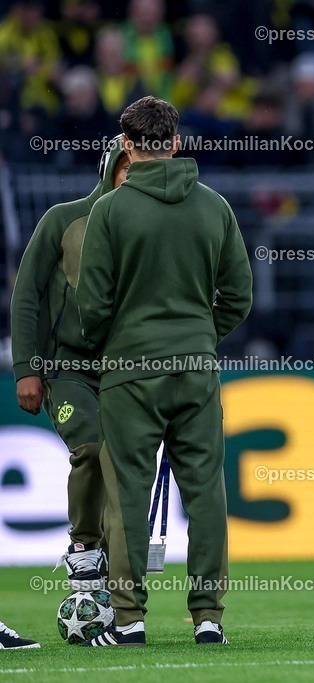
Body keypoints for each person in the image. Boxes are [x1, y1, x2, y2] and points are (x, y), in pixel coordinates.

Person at [76, 96, 252, 646]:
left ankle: (128, 619)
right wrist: (198, 338)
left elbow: (93, 305)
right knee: (206, 492)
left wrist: (120, 346)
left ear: (127, 146)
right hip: (196, 370)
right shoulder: (215, 206)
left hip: (130, 373)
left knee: (127, 491)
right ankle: (207, 618)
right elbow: (239, 296)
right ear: (175, 142)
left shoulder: (110, 211)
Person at [10, 135, 129, 592]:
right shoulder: (62, 220)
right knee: (92, 446)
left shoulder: (148, 230)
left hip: (126, 370)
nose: (133, 178)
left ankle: (121, 577)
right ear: (109, 169)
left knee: (124, 464)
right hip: (67, 368)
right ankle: (83, 548)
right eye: (126, 168)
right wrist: (27, 367)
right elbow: (27, 296)